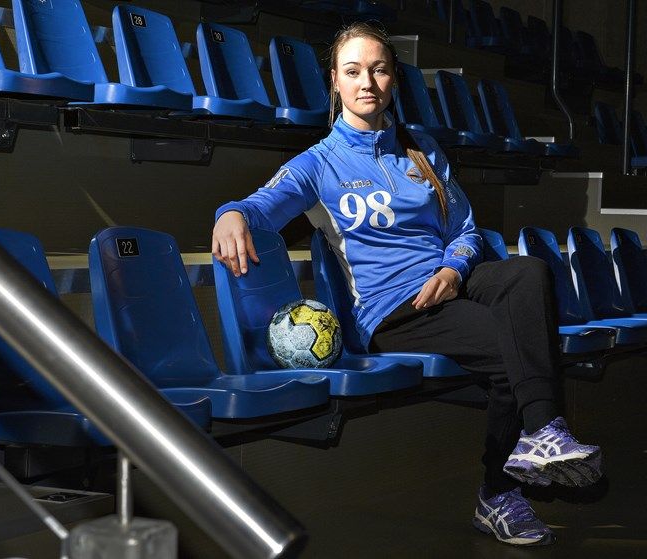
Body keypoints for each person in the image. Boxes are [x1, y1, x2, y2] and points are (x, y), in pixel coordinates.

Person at [211, 21, 603, 546]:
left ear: (394, 78)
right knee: (510, 343)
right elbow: (261, 205)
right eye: (353, 71)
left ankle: (542, 432)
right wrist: (230, 213)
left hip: (445, 284)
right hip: (389, 311)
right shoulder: (319, 164)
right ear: (335, 82)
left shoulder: (422, 150)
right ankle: (498, 493)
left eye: (378, 70)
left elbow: (464, 231)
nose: (366, 82)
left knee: (528, 272)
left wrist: (452, 270)